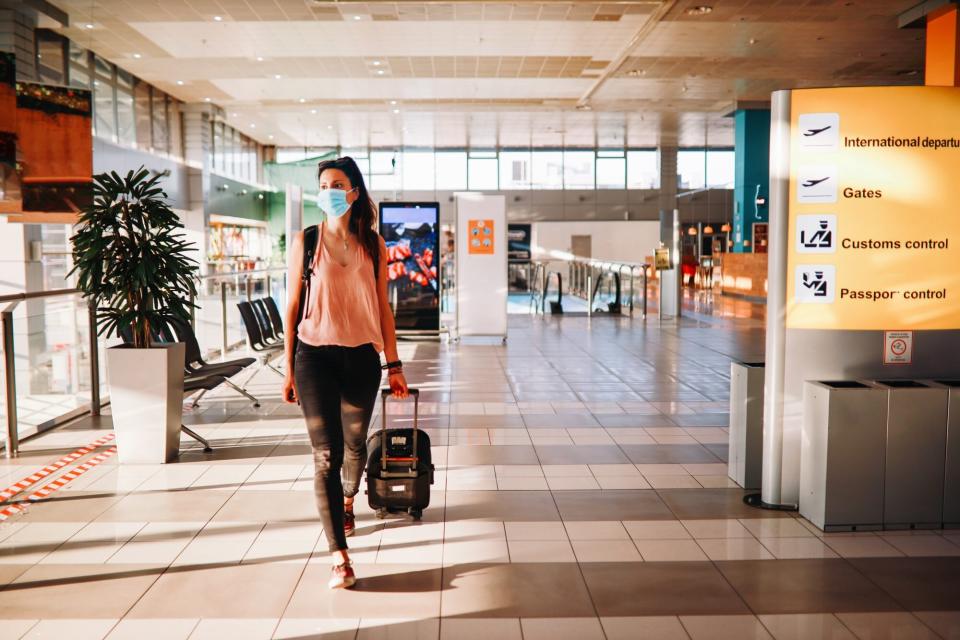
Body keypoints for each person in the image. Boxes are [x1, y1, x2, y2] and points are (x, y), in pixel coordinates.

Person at [282, 156, 409, 590]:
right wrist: (287, 369)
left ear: (355, 191)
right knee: (325, 455)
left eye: (337, 183)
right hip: (313, 357)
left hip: (360, 359)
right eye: (323, 184)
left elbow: (383, 307)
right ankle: (339, 556)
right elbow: (293, 308)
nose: (329, 191)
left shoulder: (373, 246)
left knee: (355, 444)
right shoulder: (306, 240)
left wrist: (393, 364)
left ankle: (349, 497)